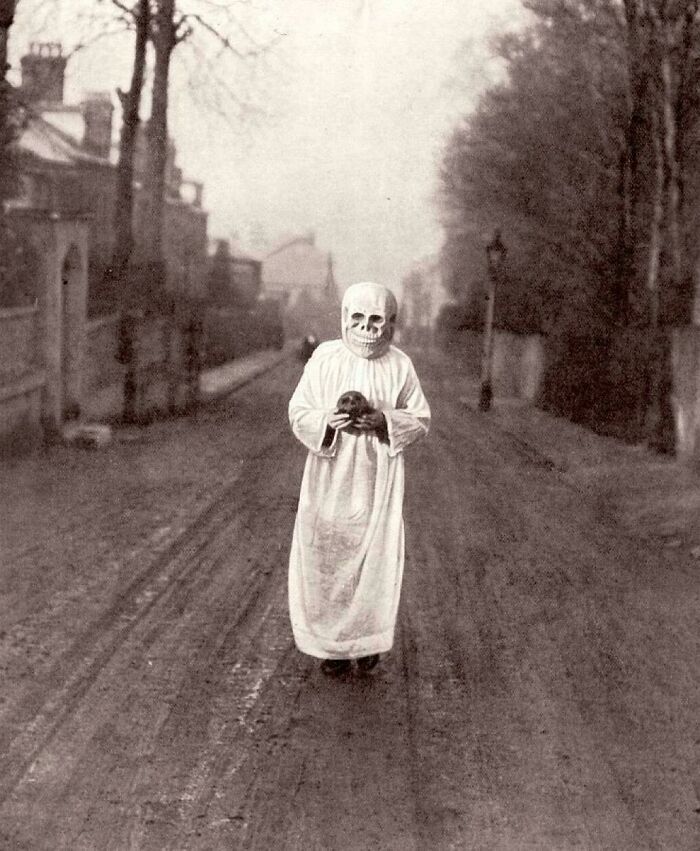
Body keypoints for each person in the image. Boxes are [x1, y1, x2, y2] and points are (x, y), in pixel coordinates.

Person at [287, 281, 430, 676]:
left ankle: (367, 640)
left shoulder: (400, 365)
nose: (369, 329)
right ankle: (332, 647)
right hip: (329, 472)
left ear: (391, 325)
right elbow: (299, 410)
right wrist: (325, 424)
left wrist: (385, 421)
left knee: (374, 555)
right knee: (329, 552)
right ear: (345, 321)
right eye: (359, 319)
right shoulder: (324, 358)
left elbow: (420, 418)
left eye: (378, 321)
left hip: (376, 474)